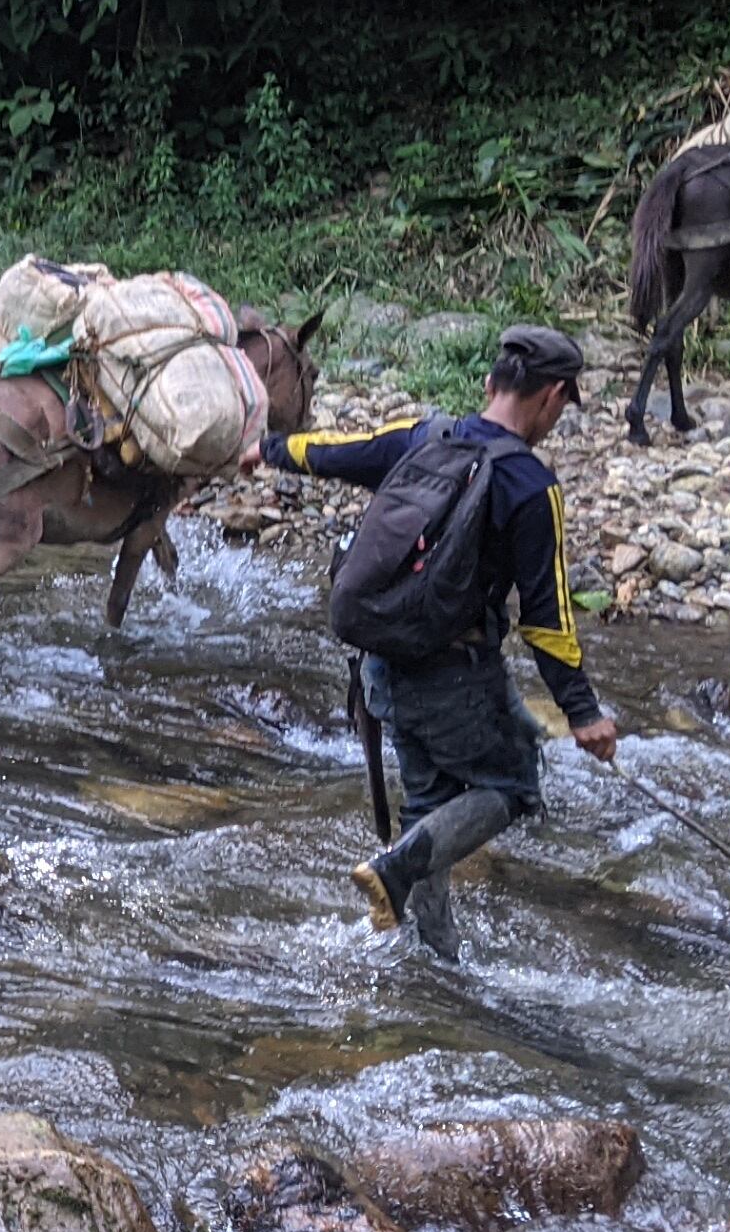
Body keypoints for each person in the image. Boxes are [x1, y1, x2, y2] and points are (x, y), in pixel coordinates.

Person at [260, 323, 618, 958]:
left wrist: (268, 451)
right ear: (555, 395)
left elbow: (340, 451)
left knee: (429, 804)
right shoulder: (531, 487)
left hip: (380, 665)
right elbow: (548, 620)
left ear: (490, 385)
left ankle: (433, 956)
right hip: (452, 674)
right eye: (564, 407)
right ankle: (394, 875)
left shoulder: (424, 438)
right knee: (512, 787)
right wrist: (582, 713)